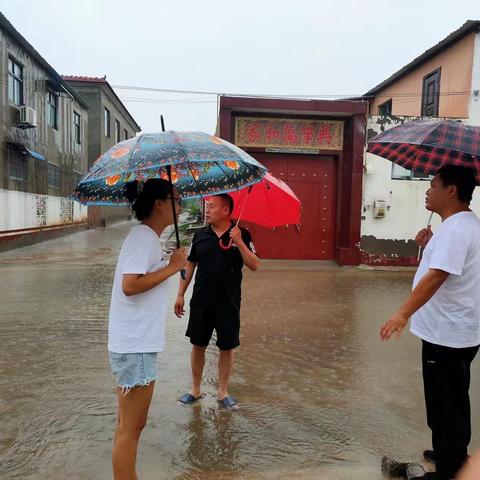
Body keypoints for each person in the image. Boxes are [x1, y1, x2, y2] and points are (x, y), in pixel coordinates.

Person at [380, 165, 480, 480]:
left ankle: (449, 469)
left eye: (433, 185)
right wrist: (430, 243)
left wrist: (402, 313)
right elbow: (446, 267)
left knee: (443, 404)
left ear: (452, 191)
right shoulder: (459, 227)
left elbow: (437, 276)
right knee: (453, 396)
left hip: (447, 334)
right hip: (457, 331)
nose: (427, 190)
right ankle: (452, 451)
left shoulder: (457, 230)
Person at [108, 178, 187, 480]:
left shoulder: (144, 238)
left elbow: (140, 280)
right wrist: (171, 267)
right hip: (135, 346)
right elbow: (130, 285)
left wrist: (170, 261)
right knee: (132, 428)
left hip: (134, 344)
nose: (180, 208)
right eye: (177, 200)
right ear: (159, 203)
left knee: (127, 425)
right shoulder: (143, 237)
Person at [174, 193, 260, 409]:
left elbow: (255, 264)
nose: (208, 210)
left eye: (211, 206)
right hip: (201, 301)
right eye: (207, 206)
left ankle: (223, 392)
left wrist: (239, 242)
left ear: (226, 210)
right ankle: (195, 389)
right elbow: (190, 265)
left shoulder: (243, 234)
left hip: (228, 302)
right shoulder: (200, 235)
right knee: (198, 345)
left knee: (227, 347)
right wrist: (180, 294)